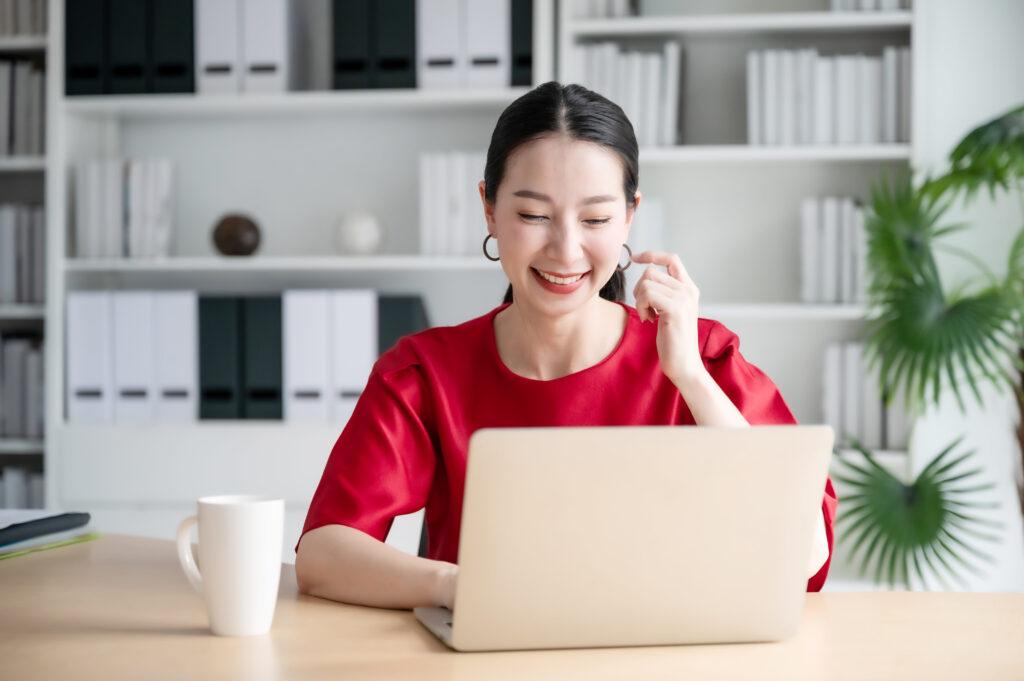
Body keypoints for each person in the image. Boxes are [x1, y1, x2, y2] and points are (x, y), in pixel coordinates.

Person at [295, 81, 838, 610]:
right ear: (488, 207)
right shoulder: (424, 373)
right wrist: (459, 586)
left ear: (630, 214)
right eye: (533, 215)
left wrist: (691, 379)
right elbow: (323, 554)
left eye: (596, 219)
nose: (566, 249)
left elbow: (805, 556)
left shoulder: (701, 357)